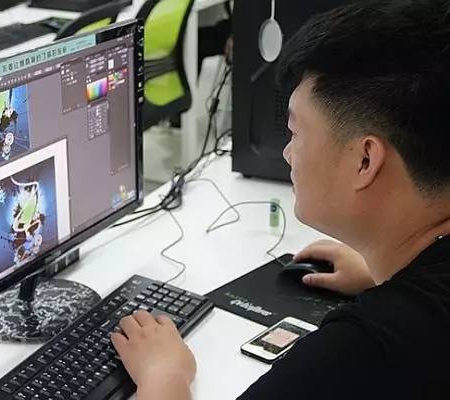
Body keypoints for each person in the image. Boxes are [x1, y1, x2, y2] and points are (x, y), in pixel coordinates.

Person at [110, 0, 450, 399]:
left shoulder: (358, 354)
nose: (288, 153)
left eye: (296, 133)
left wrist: (164, 376)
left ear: (364, 160)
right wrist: (385, 272)